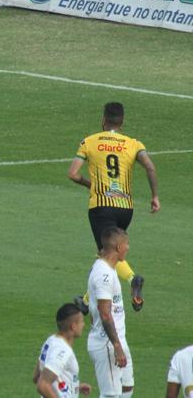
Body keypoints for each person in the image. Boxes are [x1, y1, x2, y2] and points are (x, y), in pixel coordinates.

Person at [68, 102, 159, 311]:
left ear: (103, 120)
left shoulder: (89, 142)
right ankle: (86, 300)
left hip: (101, 206)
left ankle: (133, 279)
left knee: (108, 254)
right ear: (122, 122)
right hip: (125, 208)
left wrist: (90, 184)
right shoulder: (133, 144)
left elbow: (72, 173)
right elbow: (150, 167)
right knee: (106, 254)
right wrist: (155, 196)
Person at [86, 227, 134, 398]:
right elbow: (104, 314)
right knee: (111, 395)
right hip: (108, 343)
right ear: (118, 247)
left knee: (127, 387)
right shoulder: (103, 274)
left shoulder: (108, 268)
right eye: (126, 244)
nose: (128, 248)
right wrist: (116, 346)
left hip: (117, 339)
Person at [33, 302, 91, 397]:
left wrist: (75, 387)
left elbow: (36, 377)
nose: (83, 325)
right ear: (73, 326)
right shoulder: (63, 351)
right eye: (81, 321)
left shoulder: (50, 340)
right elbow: (42, 385)